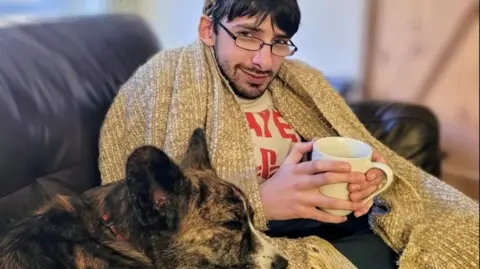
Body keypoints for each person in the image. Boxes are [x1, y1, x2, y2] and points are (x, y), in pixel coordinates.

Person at [98, 0, 479, 268]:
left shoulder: (301, 81)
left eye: (278, 42)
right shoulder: (166, 82)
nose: (265, 61)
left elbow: (375, 154)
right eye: (248, 35)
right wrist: (261, 202)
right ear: (208, 30)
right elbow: (145, 207)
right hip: (274, 243)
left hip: (352, 225)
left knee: (462, 229)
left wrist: (377, 179)